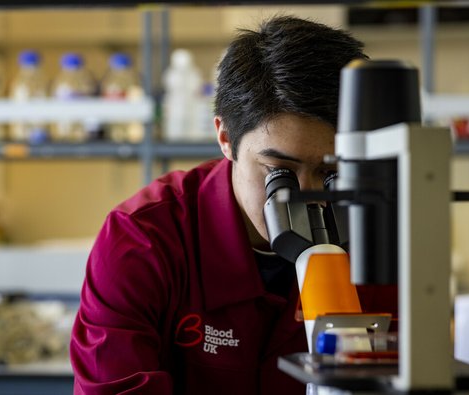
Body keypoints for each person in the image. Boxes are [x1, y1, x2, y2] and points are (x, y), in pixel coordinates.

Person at [70, 15, 397, 395]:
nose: (308, 196)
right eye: (280, 172)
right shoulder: (141, 241)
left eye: (330, 173)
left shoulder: (375, 240)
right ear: (225, 137)